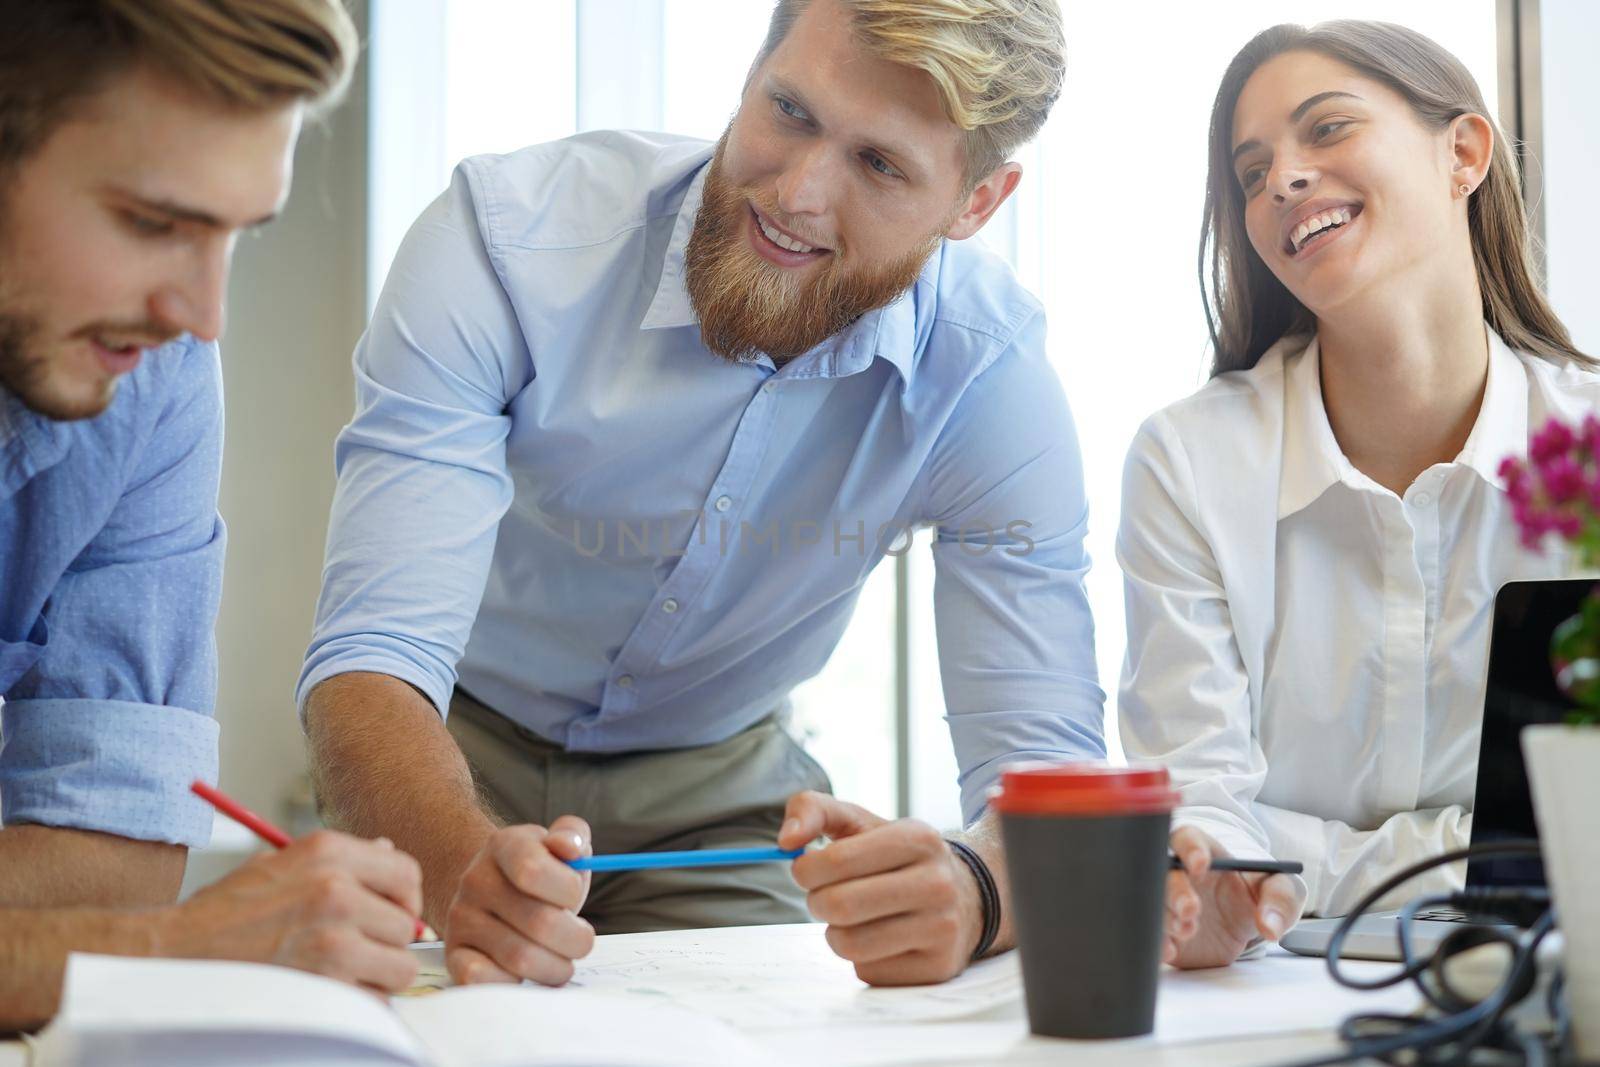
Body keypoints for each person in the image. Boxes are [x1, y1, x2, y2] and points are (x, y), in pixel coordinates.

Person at [300, 0, 1102, 989]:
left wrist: (980, 889)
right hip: (448, 742)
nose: (798, 194)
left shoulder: (988, 376)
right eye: (791, 112)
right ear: (751, 72)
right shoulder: (507, 241)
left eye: (880, 165)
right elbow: (370, 656)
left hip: (721, 792)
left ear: (975, 203)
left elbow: (1049, 775)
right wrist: (461, 863)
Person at [1118, 20, 1599, 969]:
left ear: (1462, 153)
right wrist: (1493, 851)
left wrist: (1294, 861)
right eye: (1253, 174)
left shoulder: (1585, 452)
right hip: (1255, 1000)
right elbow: (1199, 824)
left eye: (1327, 129)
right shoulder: (1189, 462)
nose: (1283, 180)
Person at [0, 0, 423, 1029]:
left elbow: (112, 861)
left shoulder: (150, 378)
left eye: (236, 234)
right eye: (153, 222)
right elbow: (128, 921)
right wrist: (181, 950)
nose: (204, 314)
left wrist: (101, 938)